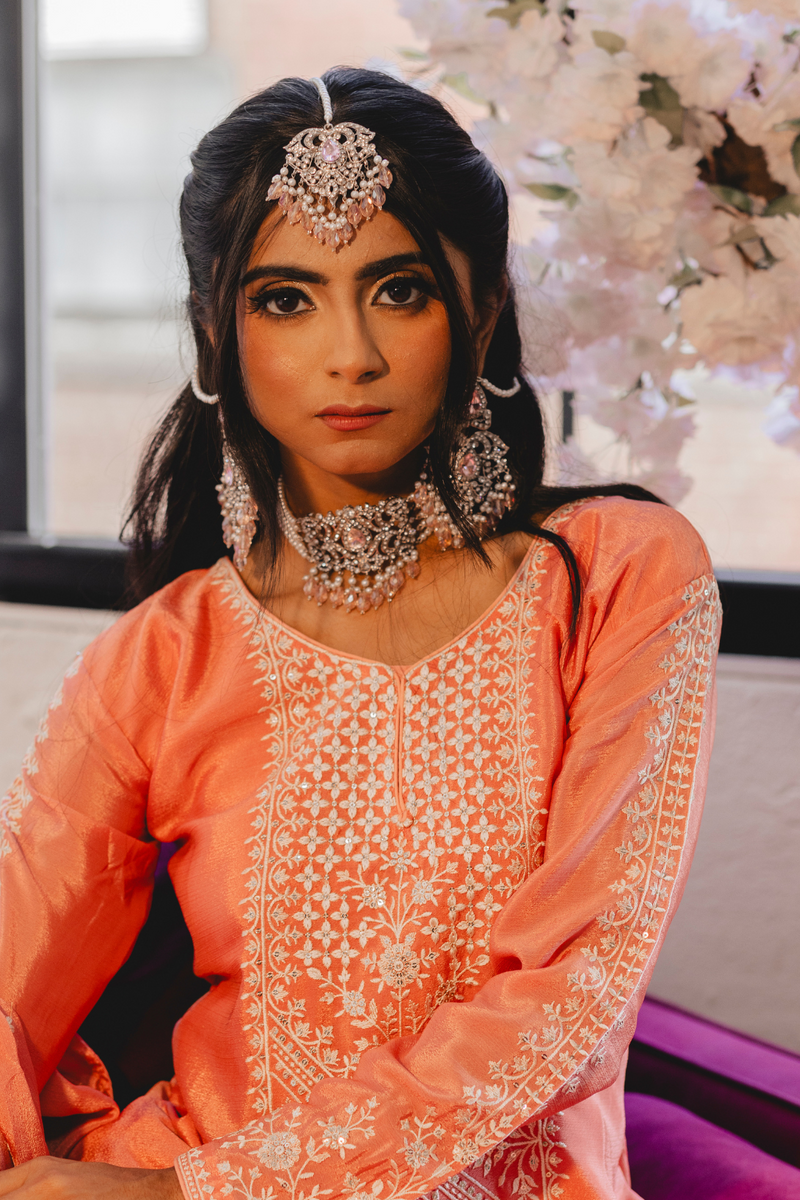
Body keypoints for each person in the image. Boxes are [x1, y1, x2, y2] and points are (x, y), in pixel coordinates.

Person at [0, 68, 720, 1200]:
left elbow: (577, 988)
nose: (352, 355)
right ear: (214, 332)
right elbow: (11, 984)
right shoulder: (164, 653)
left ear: (479, 309)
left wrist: (216, 1193)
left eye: (398, 290)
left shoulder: (617, 574)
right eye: (285, 299)